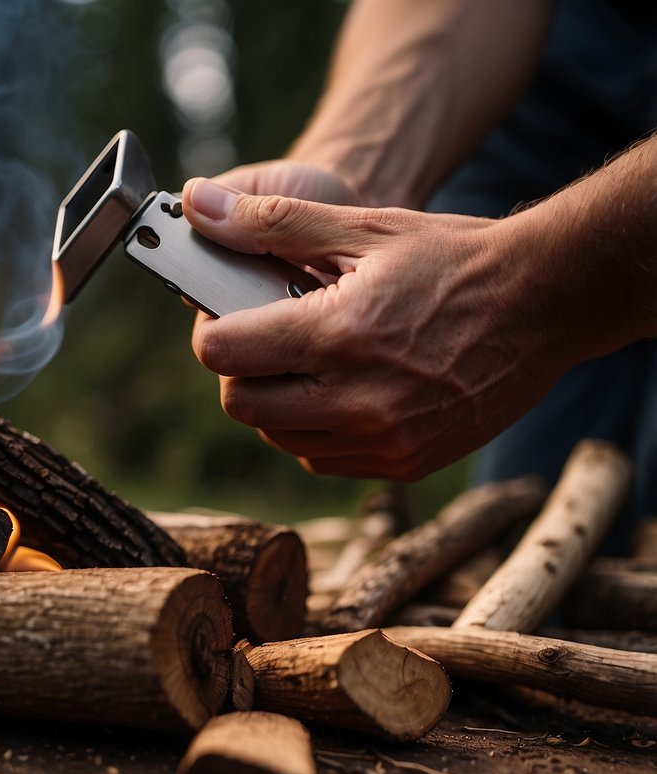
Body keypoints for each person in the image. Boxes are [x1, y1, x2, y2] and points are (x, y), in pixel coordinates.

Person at [179, 0, 656, 549]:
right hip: (521, 95)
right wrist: (353, 177)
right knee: (529, 529)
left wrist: (520, 292)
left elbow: (525, 293)